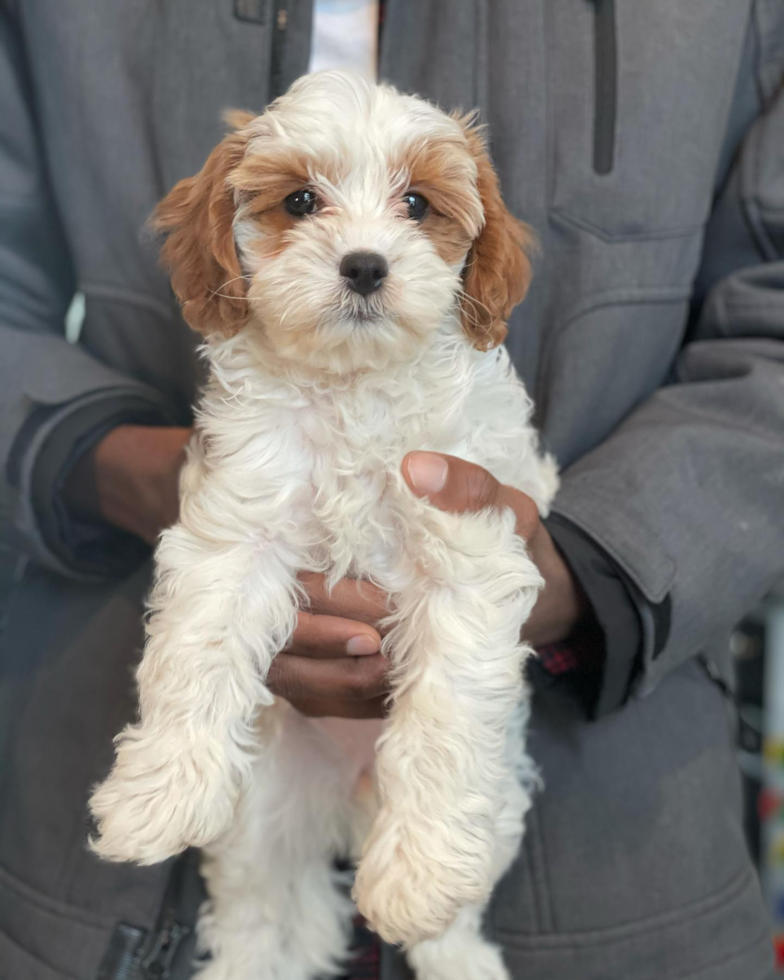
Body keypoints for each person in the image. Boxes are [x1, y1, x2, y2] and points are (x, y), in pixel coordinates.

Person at [1, 1, 782, 978]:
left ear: (473, 251)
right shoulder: (250, 398)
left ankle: (443, 906)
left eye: (416, 207)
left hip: (614, 852)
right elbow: (222, 561)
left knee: (450, 737)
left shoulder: (463, 397)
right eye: (300, 205)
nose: (363, 248)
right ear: (227, 238)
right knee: (252, 871)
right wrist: (109, 464)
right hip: (85, 870)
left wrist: (580, 574)